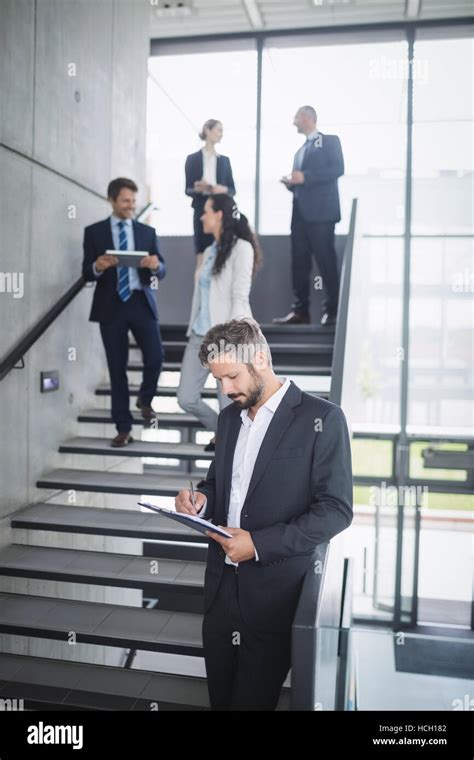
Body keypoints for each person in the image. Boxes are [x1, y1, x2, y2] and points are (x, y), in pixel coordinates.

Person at [175, 318, 353, 710]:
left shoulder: (322, 419)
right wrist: (201, 500)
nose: (226, 389)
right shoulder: (228, 418)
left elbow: (336, 510)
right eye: (218, 381)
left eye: (232, 377)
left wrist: (257, 544)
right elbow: (220, 485)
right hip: (221, 591)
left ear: (259, 358)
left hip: (275, 595)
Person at [82, 177, 166, 447]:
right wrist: (98, 266)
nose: (131, 206)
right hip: (111, 305)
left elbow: (161, 270)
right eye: (126, 201)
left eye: (134, 201)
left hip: (140, 301)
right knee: (116, 369)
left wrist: (155, 265)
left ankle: (145, 398)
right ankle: (123, 428)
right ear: (112, 200)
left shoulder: (146, 232)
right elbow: (86, 273)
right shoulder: (94, 232)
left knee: (155, 356)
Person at [177, 195, 261, 453]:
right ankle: (221, 431)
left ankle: (231, 445)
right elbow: (202, 297)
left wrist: (232, 341)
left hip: (224, 339)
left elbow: (239, 296)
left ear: (220, 215)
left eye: (206, 211)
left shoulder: (242, 248)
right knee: (186, 398)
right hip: (198, 335)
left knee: (229, 403)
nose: (202, 216)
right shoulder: (210, 251)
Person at [273, 105, 344, 327]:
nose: (294, 122)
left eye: (296, 118)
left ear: (307, 118)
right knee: (299, 264)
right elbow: (301, 184)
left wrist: (306, 177)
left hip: (322, 215)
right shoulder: (299, 152)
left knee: (326, 263)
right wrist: (292, 184)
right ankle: (300, 311)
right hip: (300, 217)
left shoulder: (330, 141)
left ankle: (332, 312)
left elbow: (338, 169)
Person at [185, 119, 236, 268]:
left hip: (221, 211)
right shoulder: (192, 159)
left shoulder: (225, 161)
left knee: (222, 254)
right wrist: (198, 188)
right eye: (219, 130)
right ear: (207, 130)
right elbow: (188, 189)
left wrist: (222, 189)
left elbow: (232, 190)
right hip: (202, 210)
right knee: (201, 255)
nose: (221, 134)